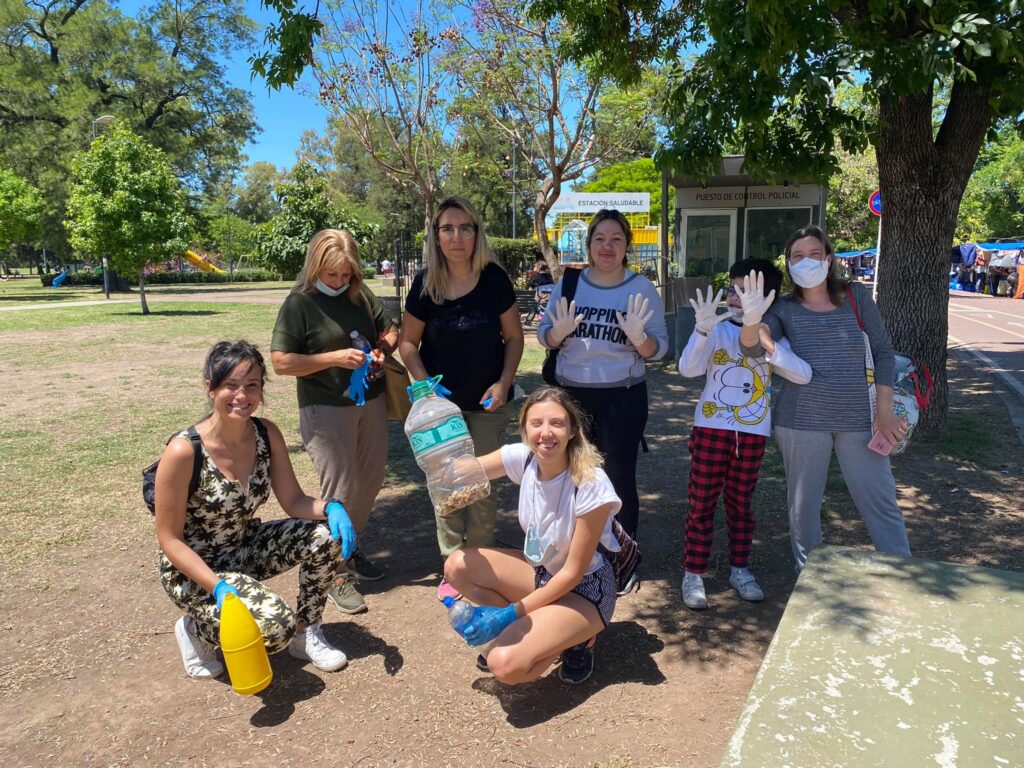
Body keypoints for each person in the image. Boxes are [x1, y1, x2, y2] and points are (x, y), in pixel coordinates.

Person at [156, 340, 356, 679]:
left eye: (252, 386)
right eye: (230, 385)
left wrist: (332, 507)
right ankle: (196, 630)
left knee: (326, 535)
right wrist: (217, 587)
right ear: (210, 388)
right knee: (275, 628)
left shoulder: (266, 433)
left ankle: (307, 633)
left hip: (243, 548)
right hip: (194, 570)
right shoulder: (183, 451)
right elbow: (169, 539)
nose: (242, 395)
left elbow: (293, 500)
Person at [750, 226, 911, 570]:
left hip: (861, 421)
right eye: (797, 256)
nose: (805, 261)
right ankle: (808, 578)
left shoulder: (856, 297)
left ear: (829, 258)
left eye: (814, 254)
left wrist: (884, 412)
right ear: (788, 264)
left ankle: (902, 574)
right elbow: (751, 346)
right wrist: (755, 323)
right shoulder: (783, 308)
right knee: (803, 506)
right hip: (801, 422)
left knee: (880, 502)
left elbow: (883, 353)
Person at [443, 386, 622, 685]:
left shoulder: (591, 483)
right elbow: (459, 471)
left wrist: (509, 615)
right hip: (543, 573)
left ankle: (576, 639)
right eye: (536, 423)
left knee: (504, 665)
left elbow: (573, 573)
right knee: (457, 565)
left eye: (557, 423)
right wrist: (432, 431)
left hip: (586, 589)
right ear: (525, 428)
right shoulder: (524, 458)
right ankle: (541, 630)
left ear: (573, 429)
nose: (546, 433)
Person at [398, 196, 525, 601]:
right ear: (436, 236)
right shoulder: (425, 283)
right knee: (448, 485)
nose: (457, 237)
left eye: (465, 228)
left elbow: (515, 337)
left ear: (476, 233)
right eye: (447, 229)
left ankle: (483, 562)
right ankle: (453, 564)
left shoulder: (494, 280)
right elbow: (407, 344)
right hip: (441, 412)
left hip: (488, 404)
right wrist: (424, 385)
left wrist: (504, 382)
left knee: (482, 485)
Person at [271, 229, 399, 615]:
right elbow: (281, 362)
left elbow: (390, 329)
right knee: (339, 491)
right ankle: (333, 571)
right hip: (325, 408)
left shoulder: (359, 294)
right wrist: (332, 359)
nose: (340, 283)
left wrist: (381, 351)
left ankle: (350, 547)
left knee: (371, 479)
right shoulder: (299, 305)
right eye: (332, 276)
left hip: (370, 402)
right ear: (315, 268)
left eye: (346, 275)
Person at [677, 260, 812, 609]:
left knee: (741, 505)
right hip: (711, 428)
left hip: (752, 432)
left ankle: (740, 568)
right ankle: (693, 573)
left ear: (768, 297)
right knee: (701, 503)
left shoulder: (772, 332)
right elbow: (688, 369)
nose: (737, 298)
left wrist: (769, 345)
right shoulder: (717, 328)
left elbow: (803, 374)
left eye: (747, 291)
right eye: (734, 289)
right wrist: (702, 331)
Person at [536, 209, 668, 551]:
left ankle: (621, 557)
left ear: (627, 245)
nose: (607, 247)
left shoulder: (640, 288)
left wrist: (641, 340)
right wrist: (556, 335)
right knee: (569, 476)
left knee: (618, 478)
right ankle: (572, 555)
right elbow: (543, 334)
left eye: (616, 239)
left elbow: (660, 348)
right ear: (589, 244)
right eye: (600, 239)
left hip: (622, 398)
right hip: (570, 396)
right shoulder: (570, 283)